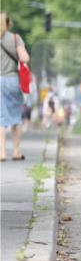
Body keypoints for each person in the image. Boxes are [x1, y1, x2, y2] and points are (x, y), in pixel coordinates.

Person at [0, 12, 30, 161]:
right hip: (12, 80)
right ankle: (16, 152)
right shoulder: (14, 38)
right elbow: (25, 58)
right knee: (15, 116)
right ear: (8, 23)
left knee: (0, 117)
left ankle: (1, 153)